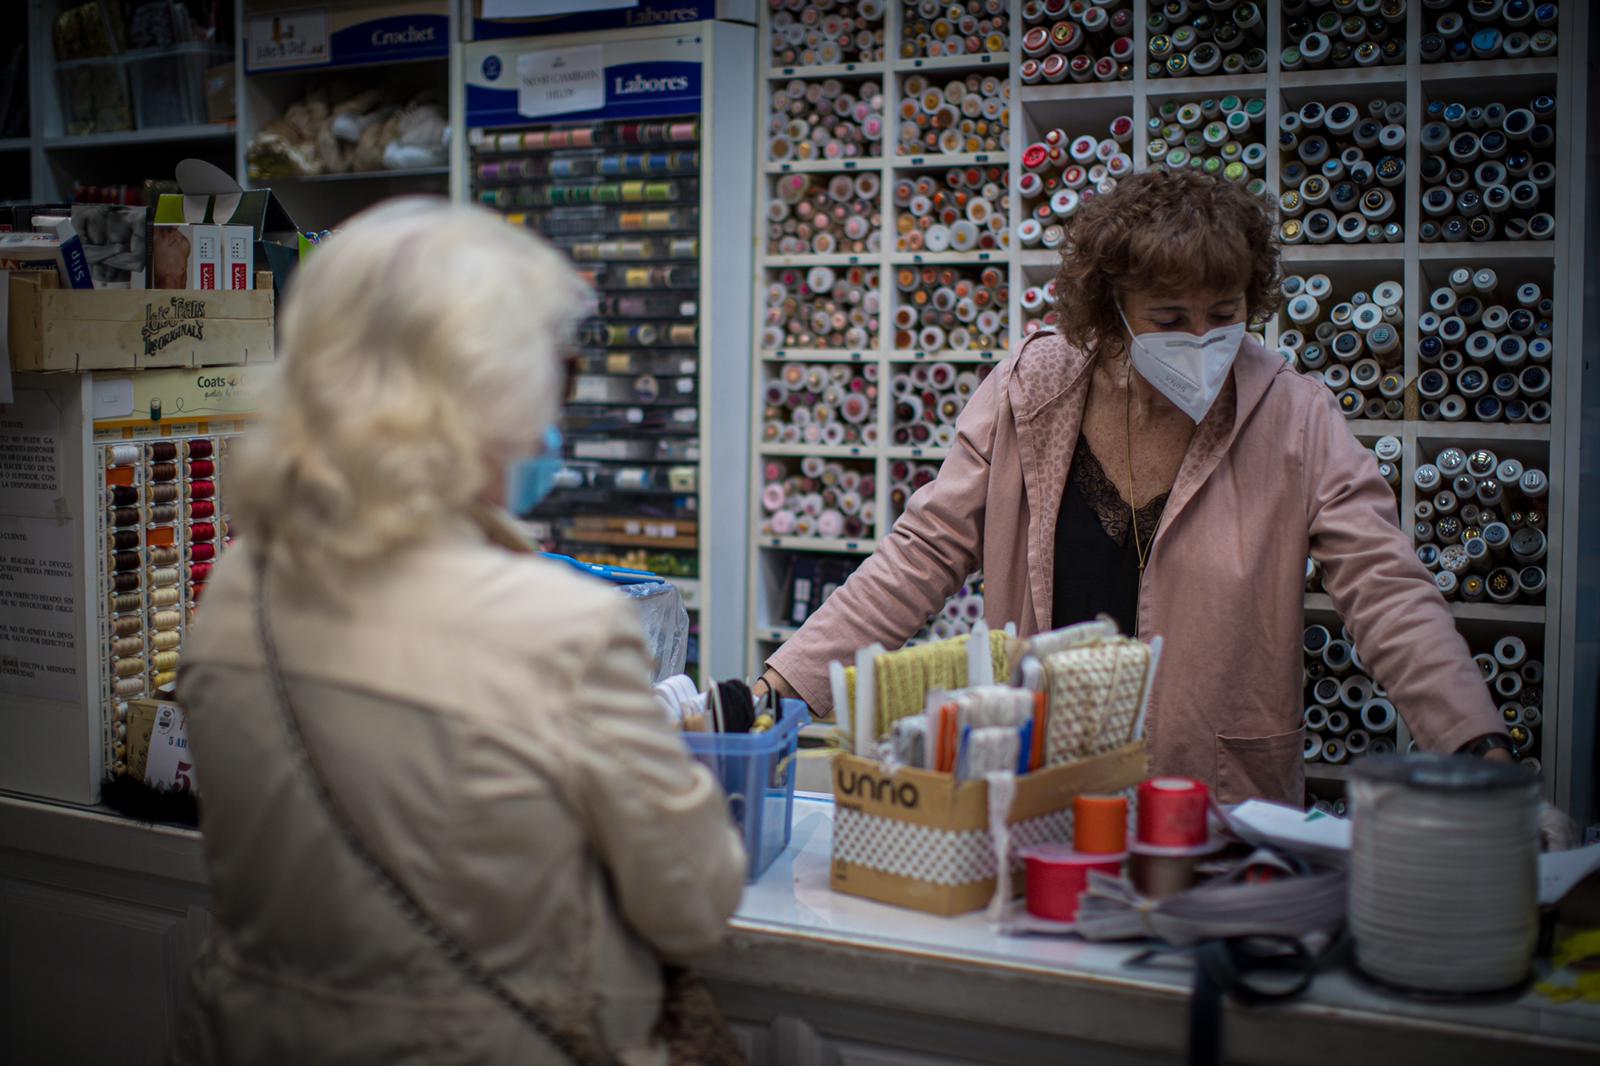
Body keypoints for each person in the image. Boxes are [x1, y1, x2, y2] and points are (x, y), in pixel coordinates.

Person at [174, 199, 746, 1065]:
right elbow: (694, 904)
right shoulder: (562, 628)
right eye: (556, 372)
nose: (556, 412)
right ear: (487, 392)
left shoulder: (238, 588)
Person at [756, 168, 1513, 806]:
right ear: (1112, 310)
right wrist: (778, 689)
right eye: (1169, 317)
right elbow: (918, 555)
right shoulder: (1033, 392)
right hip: (1043, 780)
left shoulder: (1292, 415)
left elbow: (1386, 589)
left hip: (1211, 791)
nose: (1200, 339)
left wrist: (1475, 744)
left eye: (1224, 314)